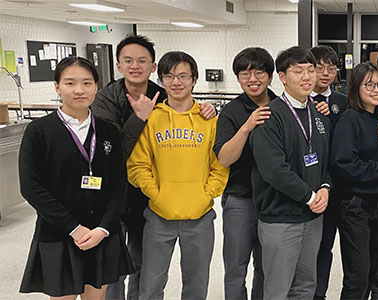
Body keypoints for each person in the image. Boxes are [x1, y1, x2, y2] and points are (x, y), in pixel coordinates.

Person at [91, 34, 216, 300]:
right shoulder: (106, 99)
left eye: (142, 60)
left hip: (148, 201)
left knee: (143, 265)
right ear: (118, 64)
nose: (135, 66)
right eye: (128, 60)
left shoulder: (163, 98)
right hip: (114, 193)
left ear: (152, 66)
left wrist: (205, 193)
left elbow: (217, 161)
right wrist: (139, 118)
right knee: (116, 263)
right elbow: (112, 152)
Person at [19, 57, 134, 299]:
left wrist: (103, 228)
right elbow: (31, 187)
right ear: (57, 87)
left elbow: (117, 186)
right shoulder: (39, 131)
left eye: (87, 83)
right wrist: (74, 228)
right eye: (70, 83)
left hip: (100, 233)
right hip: (59, 233)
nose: (79, 90)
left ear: (96, 86)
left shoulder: (108, 131)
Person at [127, 51, 228, 300]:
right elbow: (137, 164)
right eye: (169, 76)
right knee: (150, 285)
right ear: (161, 80)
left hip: (200, 216)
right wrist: (157, 194)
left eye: (183, 75)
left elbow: (221, 165)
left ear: (194, 79)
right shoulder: (152, 118)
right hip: (159, 216)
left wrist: (206, 194)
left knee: (196, 285)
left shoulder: (209, 120)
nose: (176, 82)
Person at [248, 46, 332, 300]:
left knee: (306, 285)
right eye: (298, 71)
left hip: (312, 217)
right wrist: (309, 196)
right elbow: (274, 170)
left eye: (311, 70)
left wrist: (326, 188)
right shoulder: (269, 116)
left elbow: (326, 161)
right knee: (277, 288)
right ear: (282, 77)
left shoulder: (319, 113)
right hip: (281, 218)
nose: (307, 77)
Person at [330, 62, 378, 300]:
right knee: (358, 275)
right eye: (369, 84)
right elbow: (342, 164)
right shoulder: (349, 118)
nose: (376, 89)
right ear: (356, 87)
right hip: (356, 207)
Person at [214, 47, 278, 300]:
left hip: (275, 200)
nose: (253, 79)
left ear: (271, 76)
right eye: (245, 73)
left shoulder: (282, 107)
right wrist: (247, 126)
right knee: (236, 268)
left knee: (266, 268)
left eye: (259, 72)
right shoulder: (231, 111)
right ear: (238, 79)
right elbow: (224, 158)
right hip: (240, 199)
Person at [308, 45, 348, 300]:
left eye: (330, 68)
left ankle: (318, 294)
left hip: (335, 186)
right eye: (318, 67)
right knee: (304, 246)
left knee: (325, 244)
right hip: (305, 184)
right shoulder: (295, 99)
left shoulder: (342, 102)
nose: (324, 73)